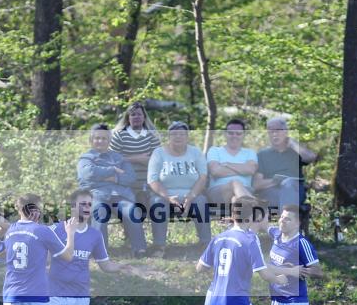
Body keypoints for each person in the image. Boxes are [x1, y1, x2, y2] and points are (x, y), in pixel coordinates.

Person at [78, 123, 148, 257]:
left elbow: (130, 177)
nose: (100, 141)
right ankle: (100, 251)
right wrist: (113, 170)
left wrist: (112, 179)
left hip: (120, 196)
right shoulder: (86, 158)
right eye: (97, 138)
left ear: (109, 140)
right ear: (91, 140)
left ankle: (139, 249)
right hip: (96, 195)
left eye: (104, 138)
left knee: (132, 210)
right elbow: (87, 174)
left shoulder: (118, 157)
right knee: (100, 211)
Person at [147, 121, 211, 253]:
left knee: (201, 201)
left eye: (182, 134)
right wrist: (169, 197)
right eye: (174, 134)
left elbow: (203, 177)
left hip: (192, 194)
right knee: (157, 203)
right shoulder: (158, 153)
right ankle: (159, 246)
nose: (178, 137)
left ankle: (206, 244)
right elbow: (152, 180)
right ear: (169, 137)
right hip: (164, 195)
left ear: (187, 137)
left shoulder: (195, 152)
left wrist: (191, 196)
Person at [251, 117, 317, 229]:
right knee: (286, 186)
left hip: (295, 191)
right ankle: (288, 231)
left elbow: (311, 157)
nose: (274, 134)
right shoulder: (262, 155)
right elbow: (257, 184)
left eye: (278, 130)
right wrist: (276, 181)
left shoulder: (295, 152)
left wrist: (292, 143)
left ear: (286, 132)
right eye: (271, 131)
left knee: (289, 184)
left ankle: (285, 229)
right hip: (272, 194)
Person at [110, 101, 162, 197]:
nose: (136, 117)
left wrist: (125, 158)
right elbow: (112, 160)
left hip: (149, 185)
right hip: (125, 186)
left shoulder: (152, 135)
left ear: (144, 117)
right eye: (133, 115)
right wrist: (137, 158)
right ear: (128, 118)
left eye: (139, 114)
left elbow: (157, 162)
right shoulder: (119, 135)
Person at [206, 119, 258, 208]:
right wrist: (242, 169)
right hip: (218, 191)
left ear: (244, 135)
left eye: (238, 133)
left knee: (236, 200)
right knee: (235, 183)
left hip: (246, 190)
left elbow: (251, 170)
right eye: (231, 133)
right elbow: (215, 171)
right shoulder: (214, 150)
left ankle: (244, 206)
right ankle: (253, 205)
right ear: (225, 134)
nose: (234, 136)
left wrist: (228, 165)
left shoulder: (250, 152)